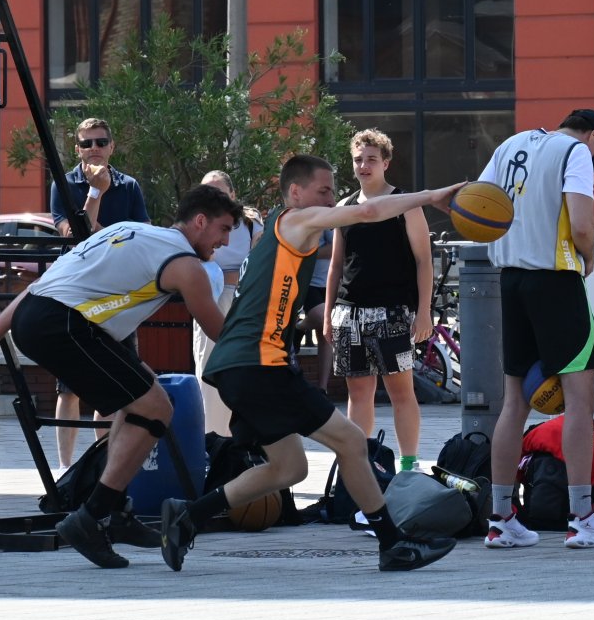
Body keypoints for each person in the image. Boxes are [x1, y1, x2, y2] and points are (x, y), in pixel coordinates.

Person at [158, 155, 464, 573]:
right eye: (323, 190)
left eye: (332, 192)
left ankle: (187, 515)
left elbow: (268, 302)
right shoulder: (295, 222)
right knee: (353, 442)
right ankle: (393, 544)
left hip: (243, 366)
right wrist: (432, 196)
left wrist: (301, 321)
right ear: (296, 192)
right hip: (259, 365)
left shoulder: (277, 235)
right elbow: (370, 210)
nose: (331, 199)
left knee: (290, 467)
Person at [0, 185, 241, 569]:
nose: (225, 241)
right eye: (223, 229)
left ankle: (115, 510)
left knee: (145, 397)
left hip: (38, 315)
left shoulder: (127, 229)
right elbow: (219, 331)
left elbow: (43, 283)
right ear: (200, 221)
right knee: (156, 407)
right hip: (67, 324)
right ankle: (90, 517)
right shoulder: (185, 265)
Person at [479, 109, 594, 550]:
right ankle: (582, 517)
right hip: (556, 279)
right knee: (581, 399)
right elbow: (583, 224)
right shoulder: (577, 152)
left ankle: (501, 518)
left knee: (513, 402)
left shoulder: (510, 145)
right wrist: (588, 257)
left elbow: (480, 201)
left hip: (511, 279)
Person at [323, 129, 434, 473]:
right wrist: (328, 315)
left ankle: (409, 465)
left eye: (371, 159)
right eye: (358, 159)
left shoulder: (405, 204)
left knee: (401, 391)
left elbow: (423, 260)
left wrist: (424, 312)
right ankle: (360, 465)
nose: (363, 165)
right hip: (349, 311)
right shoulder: (343, 207)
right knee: (358, 394)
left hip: (393, 312)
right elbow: (336, 265)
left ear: (385, 162)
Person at [47, 117, 150, 465]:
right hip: (76, 293)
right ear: (77, 148)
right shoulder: (63, 184)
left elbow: (139, 238)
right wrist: (95, 193)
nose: (94, 149)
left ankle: (102, 463)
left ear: (112, 146)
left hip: (117, 293)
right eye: (87, 143)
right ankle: (65, 466)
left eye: (100, 142)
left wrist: (102, 231)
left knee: (114, 384)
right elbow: (73, 234)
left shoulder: (130, 186)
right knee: (69, 386)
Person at [192, 169, 258, 432]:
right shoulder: (195, 225)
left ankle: (241, 437)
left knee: (243, 370)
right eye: (207, 192)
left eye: (219, 192)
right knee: (207, 370)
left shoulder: (251, 224)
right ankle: (212, 437)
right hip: (208, 299)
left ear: (232, 194)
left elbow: (255, 266)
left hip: (242, 302)